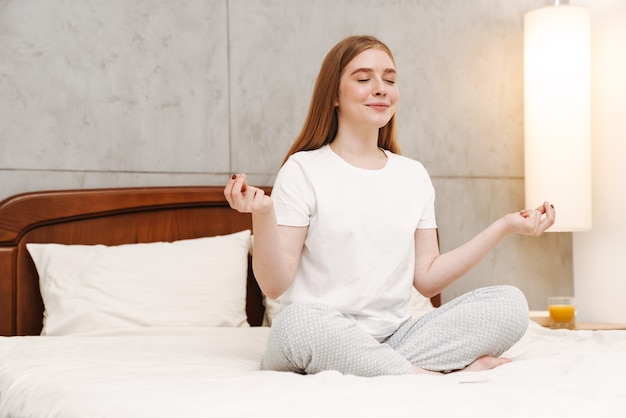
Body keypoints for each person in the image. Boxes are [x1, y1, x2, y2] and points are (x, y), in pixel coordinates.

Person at [224, 35, 555, 377]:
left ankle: (388, 369)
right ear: (334, 95)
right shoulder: (303, 169)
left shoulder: (413, 175)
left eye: (390, 79)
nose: (381, 88)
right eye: (364, 79)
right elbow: (275, 285)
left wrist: (504, 226)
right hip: (317, 334)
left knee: (511, 305)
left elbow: (427, 280)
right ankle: (427, 376)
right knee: (298, 323)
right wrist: (263, 215)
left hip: (395, 339)